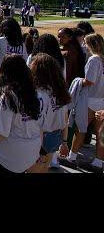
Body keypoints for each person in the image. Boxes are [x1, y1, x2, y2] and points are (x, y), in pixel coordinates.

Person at [0, 54, 42, 174]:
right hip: (31, 151)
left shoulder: (7, 99)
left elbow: (0, 134)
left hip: (11, 156)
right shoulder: (34, 94)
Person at [63, 33, 104, 172]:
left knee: (80, 129)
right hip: (102, 100)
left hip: (90, 100)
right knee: (100, 133)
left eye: (85, 43)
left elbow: (90, 81)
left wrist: (78, 81)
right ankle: (98, 163)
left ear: (91, 45)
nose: (83, 45)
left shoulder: (94, 59)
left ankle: (71, 158)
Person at [28, 53, 70, 173]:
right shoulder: (60, 91)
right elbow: (65, 119)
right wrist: (65, 141)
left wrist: (40, 149)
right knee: (44, 169)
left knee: (34, 170)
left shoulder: (40, 95)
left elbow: (39, 125)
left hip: (42, 139)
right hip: (55, 136)